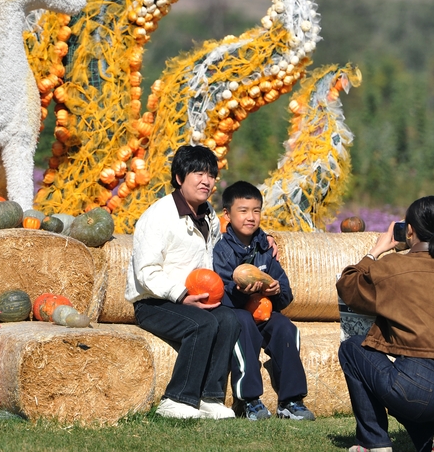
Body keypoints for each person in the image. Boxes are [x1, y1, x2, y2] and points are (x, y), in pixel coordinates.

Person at [336, 196, 434, 452]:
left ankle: (374, 443)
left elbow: (347, 286)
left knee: (352, 348)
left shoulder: (393, 267)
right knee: (409, 392)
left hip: (413, 387)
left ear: (409, 230)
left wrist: (375, 251)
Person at [125, 145, 240, 419]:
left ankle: (210, 398)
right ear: (179, 177)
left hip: (193, 299)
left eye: (211, 175)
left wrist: (264, 239)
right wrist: (181, 294)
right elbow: (146, 272)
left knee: (229, 320)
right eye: (198, 173)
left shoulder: (208, 216)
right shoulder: (158, 216)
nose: (206, 181)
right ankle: (175, 399)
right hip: (155, 302)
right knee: (202, 324)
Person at [213, 181, 315, 422]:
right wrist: (241, 292)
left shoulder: (264, 248)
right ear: (227, 214)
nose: (251, 217)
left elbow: (286, 293)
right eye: (243, 211)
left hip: (263, 312)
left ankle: (291, 401)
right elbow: (221, 294)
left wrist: (276, 291)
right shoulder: (222, 250)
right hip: (236, 312)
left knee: (285, 327)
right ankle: (249, 400)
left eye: (256, 211)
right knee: (242, 323)